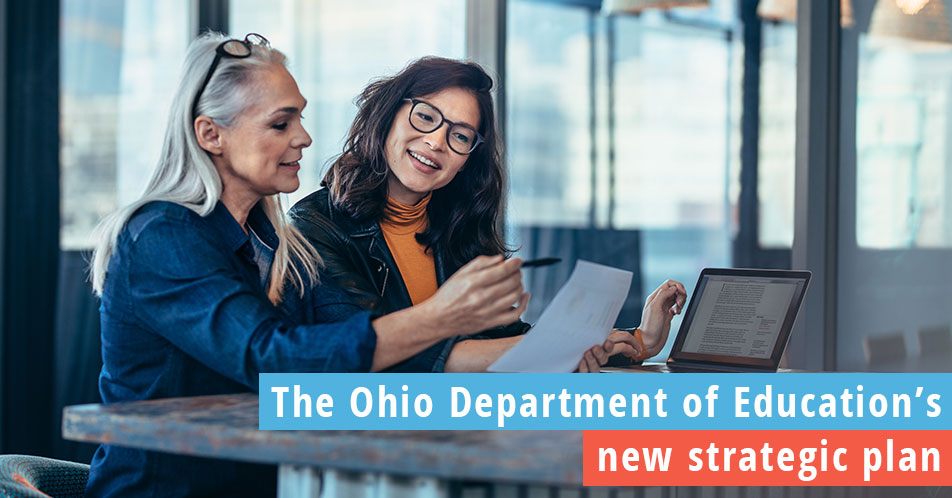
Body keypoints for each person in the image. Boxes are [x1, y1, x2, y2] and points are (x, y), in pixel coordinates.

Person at [85, 34, 624, 497]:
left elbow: (338, 360)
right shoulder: (162, 235)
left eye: (300, 117)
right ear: (210, 135)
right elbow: (275, 362)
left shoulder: (272, 242)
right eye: (281, 123)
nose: (304, 137)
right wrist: (444, 316)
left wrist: (568, 345)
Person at [289, 56, 687, 373]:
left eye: (460, 135)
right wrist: (550, 348)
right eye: (426, 117)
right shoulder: (315, 226)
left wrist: (635, 342)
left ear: (467, 159)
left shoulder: (458, 227)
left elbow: (504, 341)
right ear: (388, 114)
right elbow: (382, 352)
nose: (436, 142)